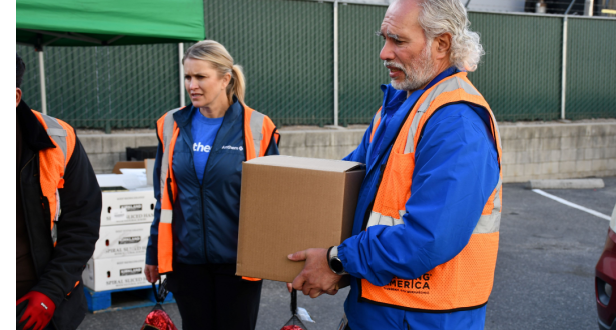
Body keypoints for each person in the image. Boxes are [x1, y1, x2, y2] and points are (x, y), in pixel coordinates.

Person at [287, 0, 502, 329]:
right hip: (379, 307)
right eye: (384, 38)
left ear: (442, 44)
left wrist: (335, 260)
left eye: (398, 41)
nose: (384, 53)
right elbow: (348, 183)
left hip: (424, 317)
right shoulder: (401, 104)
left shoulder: (456, 123)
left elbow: (427, 240)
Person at [144, 40, 280, 330]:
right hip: (186, 262)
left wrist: (285, 262)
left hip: (239, 263)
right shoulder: (170, 124)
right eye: (187, 77)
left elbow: (275, 202)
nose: (192, 85)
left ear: (225, 79)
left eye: (200, 77)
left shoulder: (258, 127)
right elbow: (163, 197)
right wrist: (153, 252)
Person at [15, 52, 102, 330]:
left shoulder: (58, 138)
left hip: (39, 304)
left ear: (15, 97)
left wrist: (50, 292)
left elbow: (83, 221)